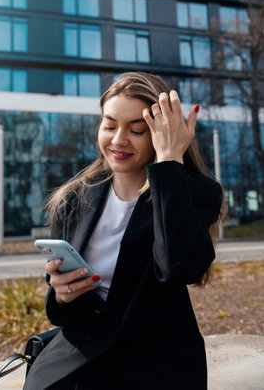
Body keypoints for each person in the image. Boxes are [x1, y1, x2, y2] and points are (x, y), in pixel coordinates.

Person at [24, 72, 224, 390]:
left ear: (161, 134)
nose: (118, 140)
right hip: (80, 353)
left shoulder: (195, 191)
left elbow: (179, 267)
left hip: (156, 363)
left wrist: (169, 160)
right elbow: (61, 311)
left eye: (137, 129)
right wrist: (62, 294)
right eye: (109, 124)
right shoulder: (73, 198)